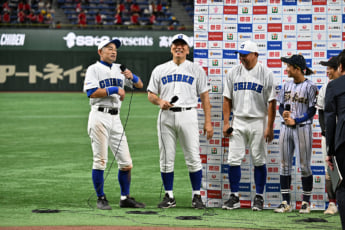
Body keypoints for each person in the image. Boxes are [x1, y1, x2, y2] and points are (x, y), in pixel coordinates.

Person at [147, 33, 214, 209]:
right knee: (166, 157)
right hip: (166, 116)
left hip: (188, 114)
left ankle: (196, 196)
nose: (179, 47)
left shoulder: (196, 69)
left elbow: (205, 97)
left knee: (193, 156)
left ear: (187, 49)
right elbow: (151, 94)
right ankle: (169, 195)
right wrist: (160, 101)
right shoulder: (160, 69)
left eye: (182, 45)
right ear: (171, 48)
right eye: (176, 44)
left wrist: (208, 122)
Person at [83, 39, 145, 210]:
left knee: (126, 163)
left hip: (116, 118)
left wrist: (131, 76)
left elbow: (139, 85)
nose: (113, 51)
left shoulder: (119, 69)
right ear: (100, 52)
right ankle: (100, 198)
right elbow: (91, 93)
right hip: (99, 116)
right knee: (100, 160)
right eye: (109, 48)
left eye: (115, 49)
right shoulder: (94, 69)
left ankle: (125, 198)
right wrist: (114, 89)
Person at [222, 40, 276, 211]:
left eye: (245, 55)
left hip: (258, 120)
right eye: (240, 55)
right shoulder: (233, 72)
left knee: (259, 160)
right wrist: (225, 122)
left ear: (256, 55)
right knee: (233, 160)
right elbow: (227, 98)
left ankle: (259, 197)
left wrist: (270, 126)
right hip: (237, 120)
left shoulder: (266, 73)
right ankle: (234, 196)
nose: (242, 58)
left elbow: (272, 102)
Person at [274, 54, 318, 214]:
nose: (286, 69)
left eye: (289, 66)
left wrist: (296, 119)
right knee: (284, 165)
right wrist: (284, 114)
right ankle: (285, 202)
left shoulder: (310, 87)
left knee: (305, 166)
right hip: (286, 128)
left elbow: (313, 110)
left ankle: (306, 202)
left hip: (303, 128)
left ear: (297, 69)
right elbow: (280, 106)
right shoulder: (286, 85)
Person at [316, 56, 340, 215]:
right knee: (330, 170)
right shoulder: (326, 87)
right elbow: (321, 112)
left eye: (330, 67)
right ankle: (332, 204)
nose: (327, 71)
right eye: (326, 67)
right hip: (331, 135)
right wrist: (326, 133)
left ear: (340, 68)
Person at [325, 50, 345, 230]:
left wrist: (329, 151)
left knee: (343, 186)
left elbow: (330, 120)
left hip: (342, 142)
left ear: (341, 67)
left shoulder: (334, 86)